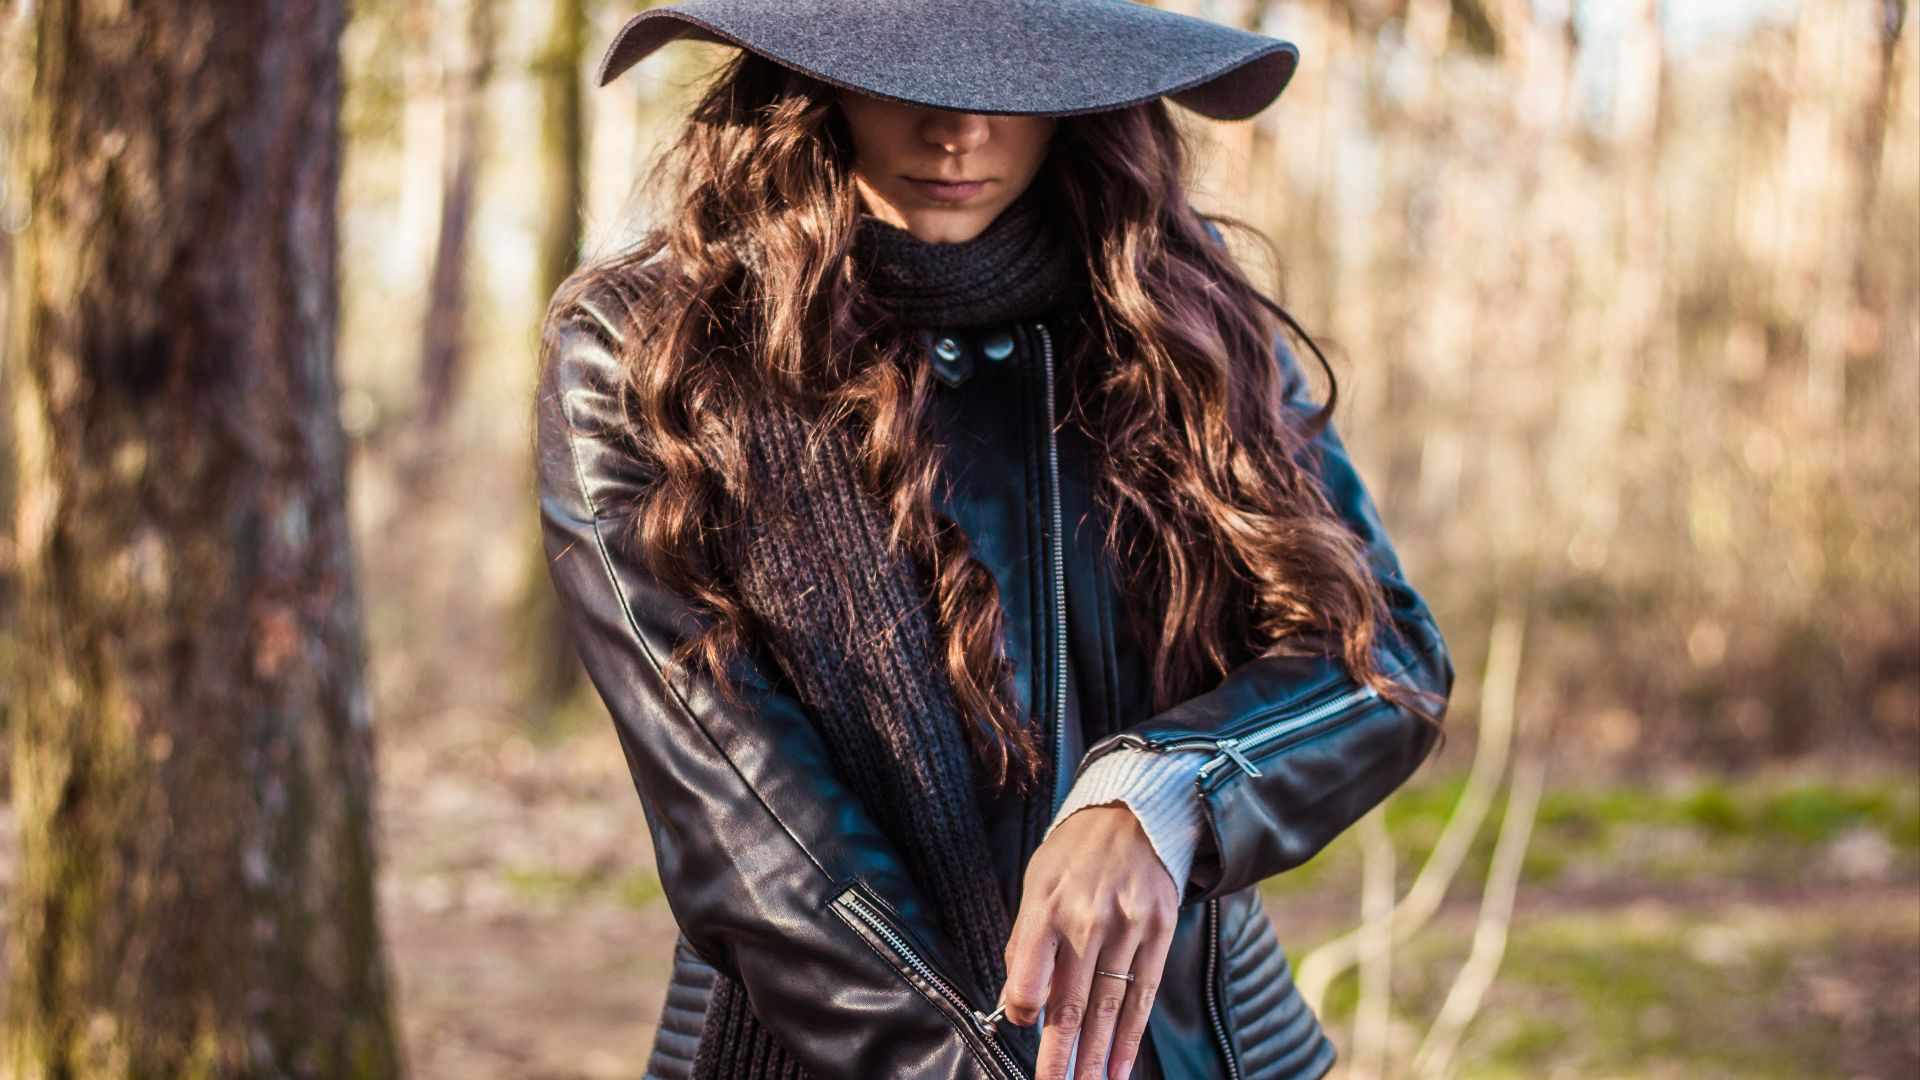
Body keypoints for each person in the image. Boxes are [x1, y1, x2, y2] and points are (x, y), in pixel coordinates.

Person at [532, 3, 1454, 1078]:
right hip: (829, 1048)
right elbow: (739, 817)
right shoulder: (646, 353)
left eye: (1015, 75)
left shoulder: (1187, 326)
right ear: (809, 77)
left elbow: (1382, 659)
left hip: (1209, 1047)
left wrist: (1162, 789)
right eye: (902, 71)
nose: (958, 126)